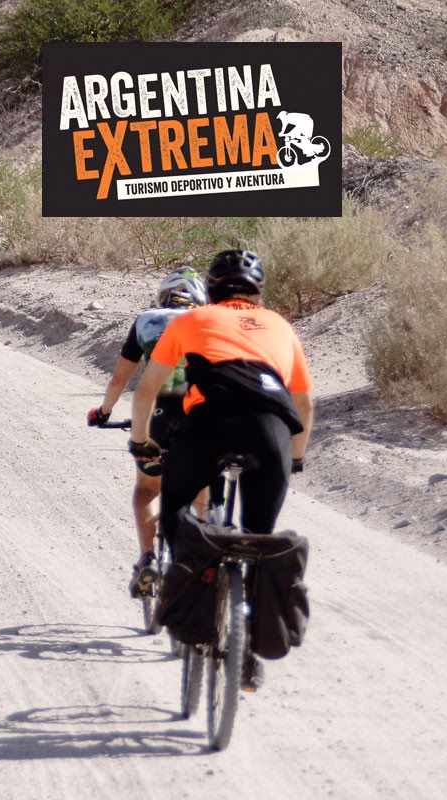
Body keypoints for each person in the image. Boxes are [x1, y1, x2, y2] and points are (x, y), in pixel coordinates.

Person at [129, 250, 314, 688]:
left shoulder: (191, 320)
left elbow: (147, 391)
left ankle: (194, 603)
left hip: (208, 426)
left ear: (210, 290)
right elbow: (304, 404)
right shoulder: (281, 326)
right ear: (257, 293)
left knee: (176, 513)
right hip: (271, 432)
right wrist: (295, 458)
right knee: (258, 539)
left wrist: (141, 441)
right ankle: (246, 654)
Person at [88, 268, 208, 596]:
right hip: (202, 414)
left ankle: (148, 559)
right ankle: (205, 564)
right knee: (203, 490)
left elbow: (120, 379)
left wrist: (103, 412)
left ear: (165, 296)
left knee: (147, 488)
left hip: (159, 413)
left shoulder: (147, 321)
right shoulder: (211, 321)